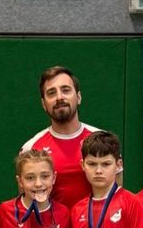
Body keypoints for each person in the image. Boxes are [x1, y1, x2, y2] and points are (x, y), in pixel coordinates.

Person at [20, 66, 100, 212]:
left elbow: (116, 197)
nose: (59, 97)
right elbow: (25, 203)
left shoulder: (102, 141)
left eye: (66, 90)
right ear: (44, 104)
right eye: (51, 93)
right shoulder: (31, 148)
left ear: (79, 97)